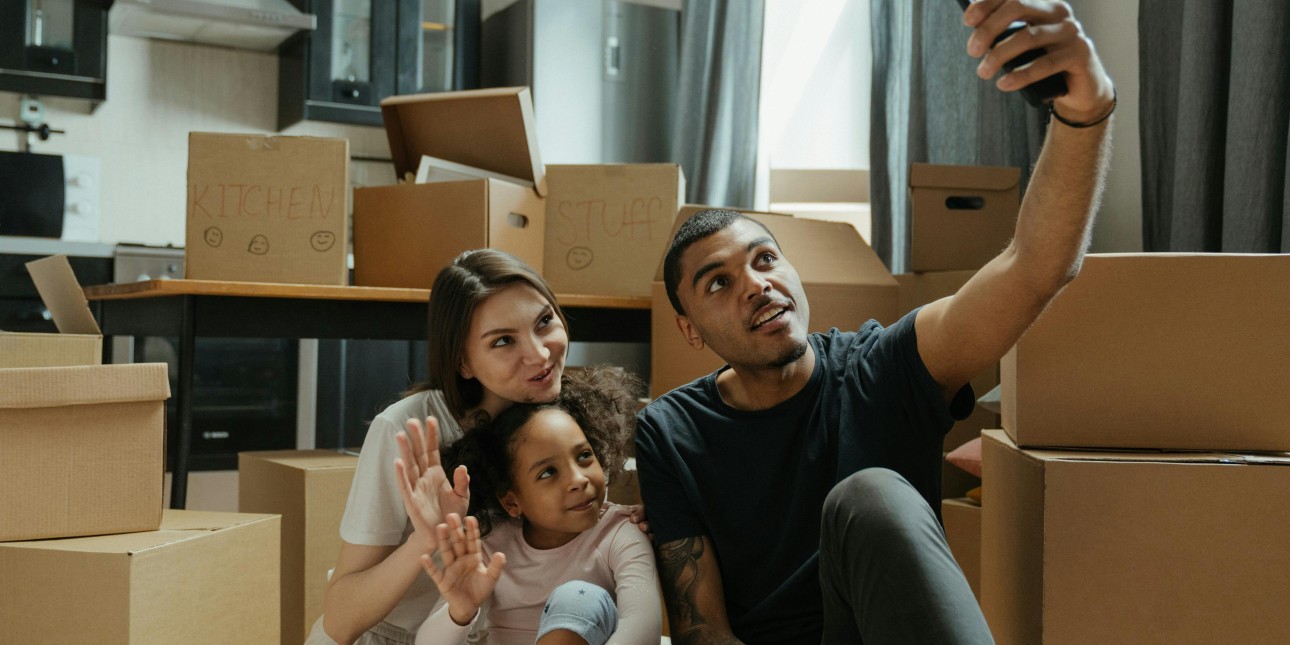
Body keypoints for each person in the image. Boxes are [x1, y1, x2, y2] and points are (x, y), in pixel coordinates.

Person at [634, 1, 1115, 643]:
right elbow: (703, 631)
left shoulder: (880, 367)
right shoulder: (672, 432)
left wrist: (1086, 108)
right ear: (688, 329)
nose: (757, 285)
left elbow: (1034, 269)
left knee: (872, 496)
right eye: (718, 283)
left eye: (766, 259)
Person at [310, 249, 644, 645]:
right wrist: (426, 539)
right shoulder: (410, 429)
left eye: (544, 321)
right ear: (463, 362)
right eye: (503, 340)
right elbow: (340, 620)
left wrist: (639, 519)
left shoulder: (569, 410)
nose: (539, 353)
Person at [410, 366, 661, 645]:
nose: (578, 479)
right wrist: (459, 612)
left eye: (584, 456)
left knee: (578, 598)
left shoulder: (620, 532)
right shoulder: (491, 548)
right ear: (512, 502)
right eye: (548, 473)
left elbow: (643, 626)